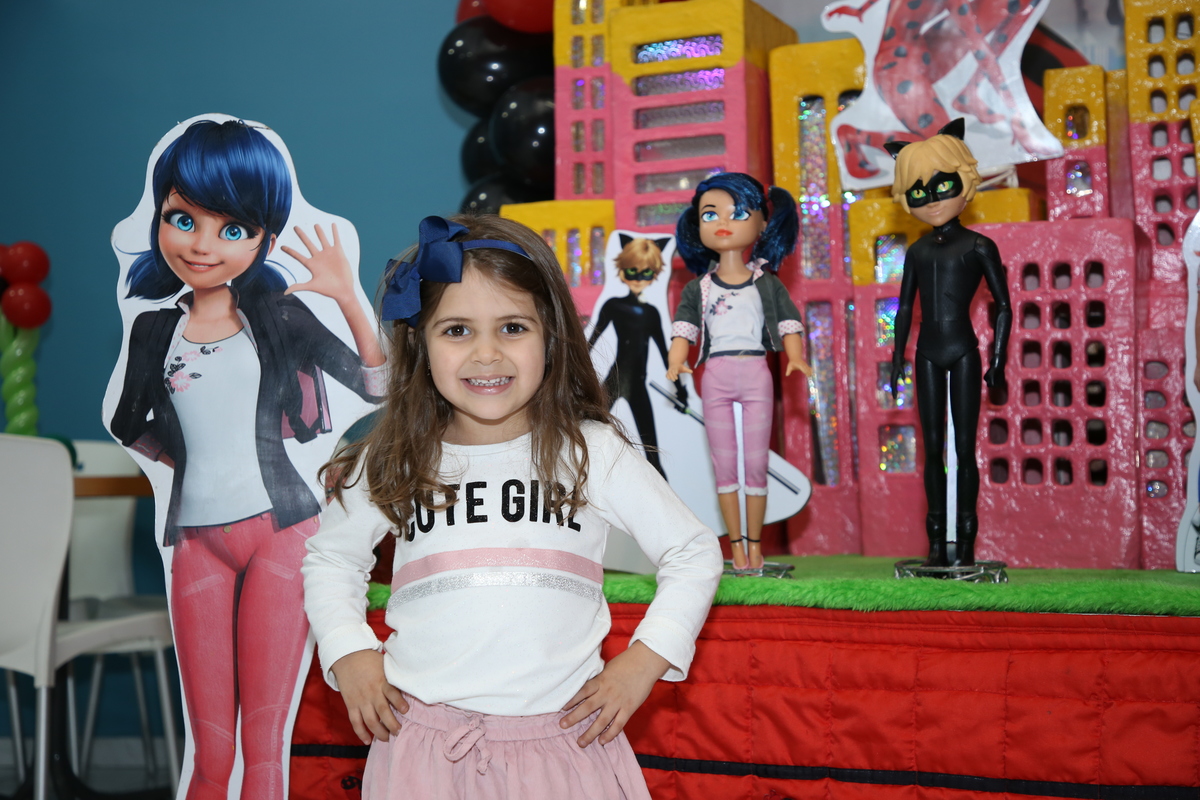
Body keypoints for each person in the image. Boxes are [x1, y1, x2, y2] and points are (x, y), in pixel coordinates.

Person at [302, 215, 722, 799]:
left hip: (565, 749)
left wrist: (644, 662)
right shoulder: (393, 455)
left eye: (513, 327)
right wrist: (348, 652)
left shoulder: (590, 450)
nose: (487, 354)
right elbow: (331, 559)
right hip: (421, 752)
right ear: (420, 343)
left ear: (550, 336)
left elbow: (693, 551)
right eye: (456, 330)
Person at [108, 119, 386, 800]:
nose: (203, 244)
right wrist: (184, 461)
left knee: (265, 750)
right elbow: (126, 423)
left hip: (281, 532)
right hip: (195, 542)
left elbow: (377, 386)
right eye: (182, 219)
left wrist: (347, 294)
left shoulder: (281, 317)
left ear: (264, 237)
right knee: (210, 754)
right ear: (159, 215)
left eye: (232, 228)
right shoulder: (153, 328)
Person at [666, 172, 812, 571]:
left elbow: (789, 323)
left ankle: (756, 546)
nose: (723, 222)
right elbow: (684, 327)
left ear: (763, 223)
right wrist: (676, 359)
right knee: (725, 466)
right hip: (715, 375)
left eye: (740, 212)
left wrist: (795, 355)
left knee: (756, 464)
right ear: (697, 224)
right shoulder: (699, 288)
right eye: (710, 214)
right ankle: (736, 547)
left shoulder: (766, 284)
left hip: (755, 373)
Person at [885, 118, 1012, 568]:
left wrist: (998, 360)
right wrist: (897, 356)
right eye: (919, 192)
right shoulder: (917, 252)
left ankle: (968, 543)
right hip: (926, 352)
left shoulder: (979, 246)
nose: (933, 199)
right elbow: (904, 309)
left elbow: (1003, 305)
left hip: (963, 351)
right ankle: (937, 544)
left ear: (965, 181)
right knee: (933, 448)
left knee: (964, 450)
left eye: (943, 186)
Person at [587, 235, 682, 478]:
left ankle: (660, 496)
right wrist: (576, 378)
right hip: (614, 380)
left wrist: (680, 388)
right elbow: (590, 344)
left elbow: (665, 353)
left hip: (637, 384)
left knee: (653, 453)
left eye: (646, 273)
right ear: (622, 270)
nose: (639, 278)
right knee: (587, 439)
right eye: (632, 271)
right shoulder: (613, 305)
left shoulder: (651, 313)